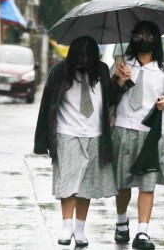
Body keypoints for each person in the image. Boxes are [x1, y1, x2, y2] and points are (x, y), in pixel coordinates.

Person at [34, 36, 119, 247]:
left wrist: (120, 80)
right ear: (72, 55)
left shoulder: (100, 70)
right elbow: (46, 105)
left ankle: (80, 230)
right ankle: (66, 227)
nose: (83, 60)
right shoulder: (59, 71)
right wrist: (41, 141)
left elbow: (111, 99)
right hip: (66, 133)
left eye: (87, 56)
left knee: (86, 187)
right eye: (79, 55)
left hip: (95, 135)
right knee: (69, 183)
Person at [112, 21, 164, 249]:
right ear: (132, 38)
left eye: (148, 35)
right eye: (138, 35)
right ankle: (122, 223)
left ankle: (142, 233)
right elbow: (108, 96)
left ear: (155, 39)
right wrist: (119, 80)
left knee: (147, 184)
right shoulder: (122, 65)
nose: (143, 39)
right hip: (124, 130)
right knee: (122, 183)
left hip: (151, 134)